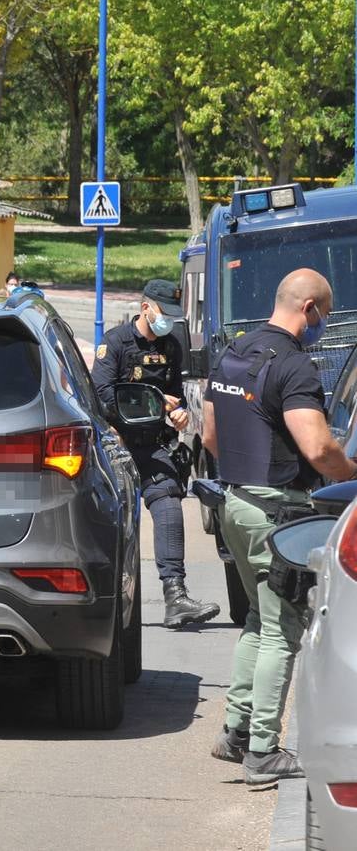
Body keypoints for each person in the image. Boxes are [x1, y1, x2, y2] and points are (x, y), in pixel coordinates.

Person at [204, 268, 357, 785]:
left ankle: (236, 731)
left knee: (257, 621)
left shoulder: (231, 353)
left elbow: (209, 437)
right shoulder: (294, 367)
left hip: (236, 502)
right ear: (309, 307)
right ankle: (264, 750)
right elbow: (318, 449)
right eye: (326, 316)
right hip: (278, 515)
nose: (323, 324)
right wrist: (352, 472)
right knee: (282, 630)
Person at [93, 279, 220, 628]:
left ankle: (176, 596)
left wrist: (178, 415)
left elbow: (176, 394)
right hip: (117, 445)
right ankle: (103, 597)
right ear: (145, 307)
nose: (167, 322)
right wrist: (151, 399)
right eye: (164, 313)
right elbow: (102, 393)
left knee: (168, 503)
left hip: (154, 444)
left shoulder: (171, 345)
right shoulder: (116, 343)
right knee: (110, 518)